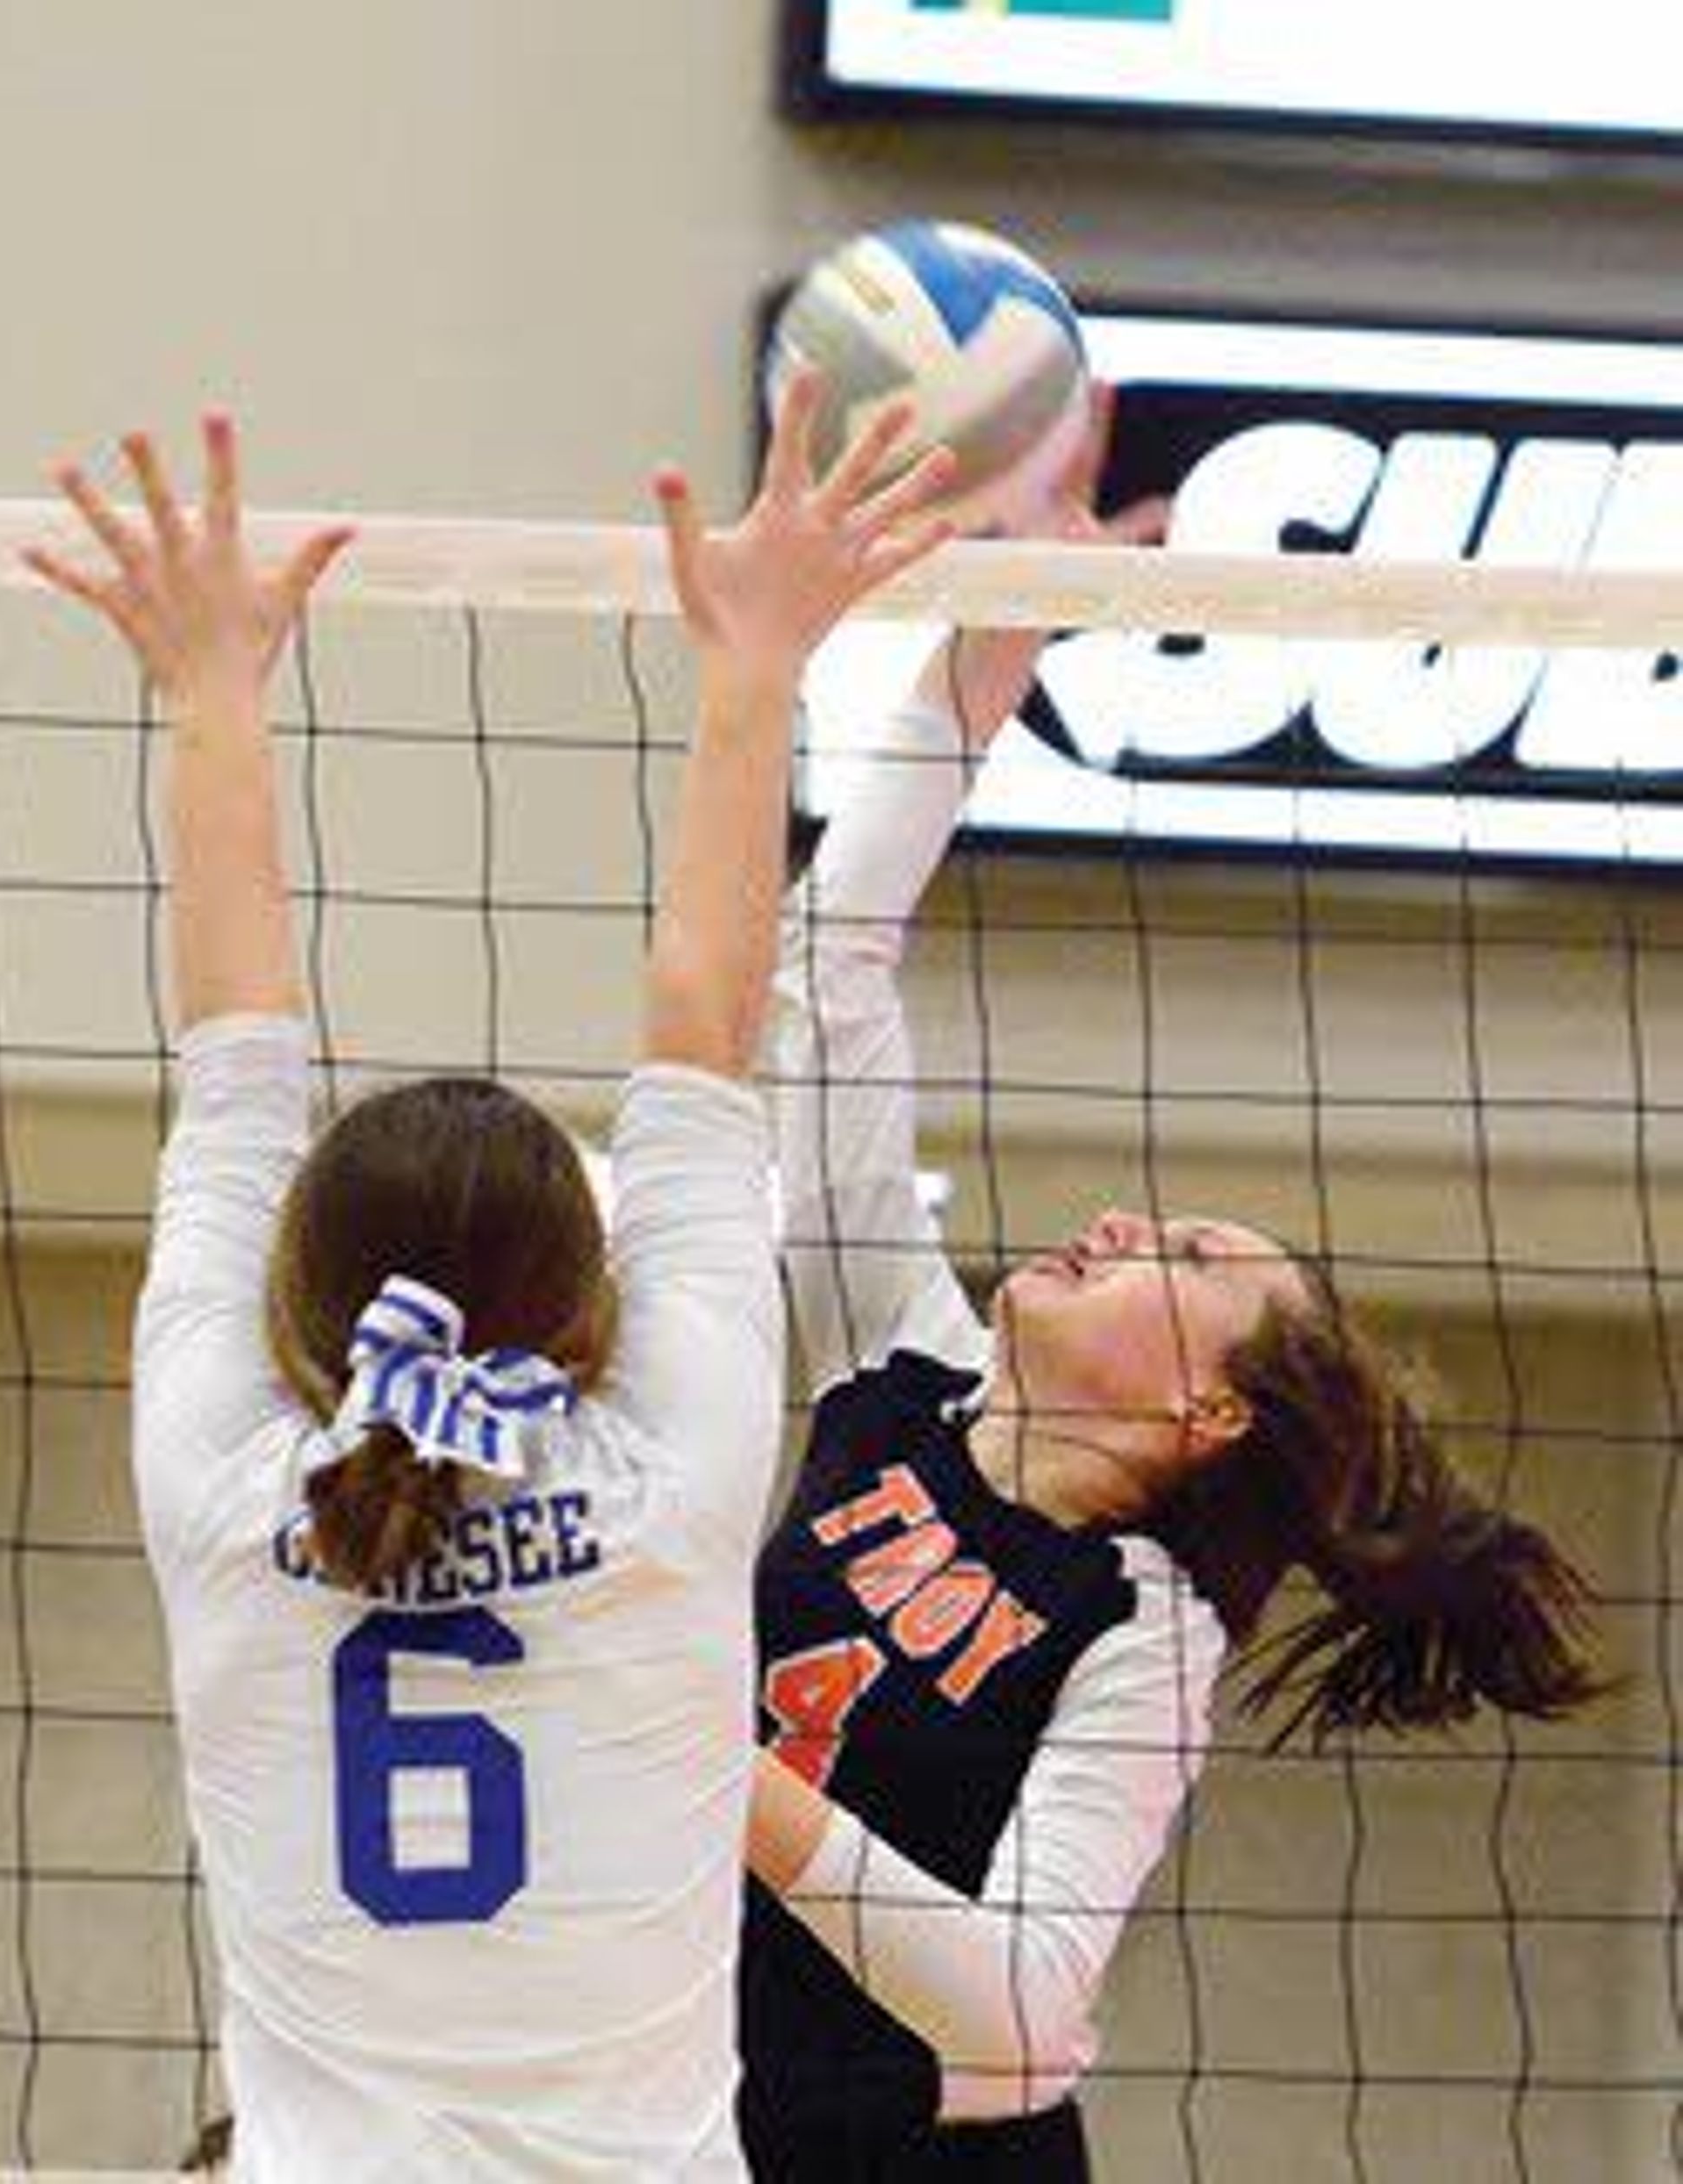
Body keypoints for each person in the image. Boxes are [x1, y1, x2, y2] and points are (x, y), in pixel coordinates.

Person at [28, 392, 953, 2180]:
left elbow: (232, 1061)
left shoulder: (227, 1483)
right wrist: (760, 665)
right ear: (591, 1272)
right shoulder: (670, 1468)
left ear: (304, 1287)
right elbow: (705, 1014)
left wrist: (211, 691)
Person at [738, 389, 1609, 2180]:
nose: (1130, 1218)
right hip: (710, 2132)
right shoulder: (894, 1367)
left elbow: (1027, 2002)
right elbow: (827, 972)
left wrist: (727, 1782)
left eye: (1195, 1259)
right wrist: (994, 650)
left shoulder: (1144, 1630)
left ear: (1210, 1408)